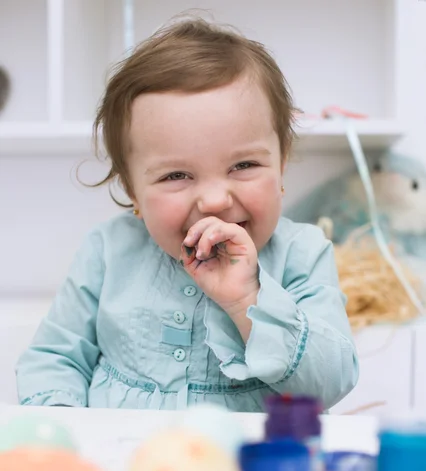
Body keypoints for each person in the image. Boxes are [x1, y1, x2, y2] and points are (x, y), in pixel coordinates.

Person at [16, 17, 359, 412]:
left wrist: (248, 298)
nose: (214, 200)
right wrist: (66, 431)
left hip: (251, 467)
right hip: (125, 462)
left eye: (243, 165)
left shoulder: (302, 253)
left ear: (281, 164)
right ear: (133, 192)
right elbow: (54, 359)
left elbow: (329, 384)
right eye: (177, 175)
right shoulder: (109, 250)